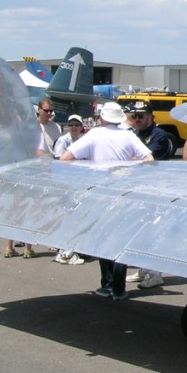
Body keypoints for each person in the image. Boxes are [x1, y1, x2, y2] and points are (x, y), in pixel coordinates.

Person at [60, 101, 153, 300]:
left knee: (102, 240)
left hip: (100, 195)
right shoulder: (128, 135)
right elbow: (149, 160)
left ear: (101, 118)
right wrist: (129, 164)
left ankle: (107, 284)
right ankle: (119, 289)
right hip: (125, 195)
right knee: (120, 242)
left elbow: (65, 158)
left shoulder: (94, 134)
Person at [122, 100, 174, 290]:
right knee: (139, 233)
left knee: (153, 233)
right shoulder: (135, 134)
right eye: (134, 116)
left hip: (156, 190)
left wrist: (130, 159)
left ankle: (155, 273)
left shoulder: (158, 135)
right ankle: (144, 268)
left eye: (141, 116)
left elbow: (148, 161)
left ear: (151, 117)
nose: (137, 120)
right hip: (139, 189)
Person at [4, 99, 59, 258]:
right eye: (46, 111)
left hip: (48, 171)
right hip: (29, 170)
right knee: (19, 208)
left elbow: (56, 146)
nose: (49, 114)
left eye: (51, 111)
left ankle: (29, 247)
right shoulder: (30, 127)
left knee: (38, 208)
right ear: (39, 110)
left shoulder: (55, 127)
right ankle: (10, 246)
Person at [52, 114, 87, 265]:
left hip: (80, 183)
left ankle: (73, 249)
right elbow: (59, 160)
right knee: (66, 217)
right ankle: (63, 252)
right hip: (66, 183)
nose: (74, 127)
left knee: (78, 217)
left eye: (77, 124)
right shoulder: (63, 140)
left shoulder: (83, 141)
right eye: (71, 124)